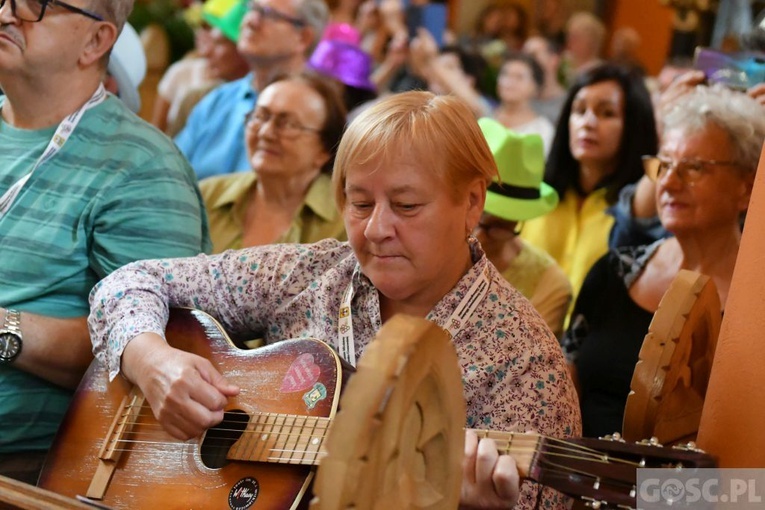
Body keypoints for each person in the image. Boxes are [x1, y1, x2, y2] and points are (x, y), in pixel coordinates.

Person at [89, 91, 581, 509]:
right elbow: (132, 280)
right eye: (359, 203)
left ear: (473, 201)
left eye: (407, 206)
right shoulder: (310, 273)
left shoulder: (525, 365)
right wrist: (150, 359)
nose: (376, 229)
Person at [0, 0, 211, 484]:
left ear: (97, 41)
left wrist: (5, 330)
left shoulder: (141, 168)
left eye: (35, 4)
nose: (8, 13)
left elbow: (165, 346)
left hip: (29, 473)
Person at [561, 84, 765, 438]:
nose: (669, 182)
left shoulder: (756, 302)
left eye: (694, 168)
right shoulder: (613, 271)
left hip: (695, 493)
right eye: (664, 164)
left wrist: (649, 494)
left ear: (746, 188)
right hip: (579, 482)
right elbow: (560, 398)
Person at [521, 63, 658, 304]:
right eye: (580, 110)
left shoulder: (635, 213)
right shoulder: (534, 194)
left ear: (634, 126)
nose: (588, 122)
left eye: (607, 113)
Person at [175, 0, 329, 180]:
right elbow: (169, 173)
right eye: (251, 8)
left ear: (304, 38)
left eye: (269, 14)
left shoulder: (318, 114)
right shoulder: (215, 101)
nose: (250, 21)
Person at [200, 71, 347, 253]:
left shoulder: (346, 220)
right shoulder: (206, 196)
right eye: (260, 116)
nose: (265, 133)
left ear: (325, 150)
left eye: (288, 124)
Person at [475, 118, 572, 338]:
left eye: (498, 226)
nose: (478, 235)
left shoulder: (548, 285)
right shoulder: (422, 247)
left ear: (520, 222)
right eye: (471, 217)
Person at [152, 0, 250, 136]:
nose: (206, 51)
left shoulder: (266, 103)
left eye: (219, 43)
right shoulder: (195, 97)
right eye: (202, 27)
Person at [493, 52, 555, 154]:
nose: (509, 81)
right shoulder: (485, 119)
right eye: (505, 74)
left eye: (519, 77)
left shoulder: (542, 130)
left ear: (535, 87)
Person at [523, 34, 566, 124]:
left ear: (554, 60)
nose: (527, 62)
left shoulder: (566, 103)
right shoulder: (521, 102)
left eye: (533, 55)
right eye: (525, 57)